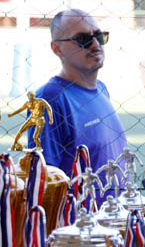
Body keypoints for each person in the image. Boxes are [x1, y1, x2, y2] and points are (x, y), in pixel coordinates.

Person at [31, 9, 127, 178]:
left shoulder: (101, 89)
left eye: (98, 36)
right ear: (57, 49)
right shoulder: (50, 99)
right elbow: (44, 178)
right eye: (83, 39)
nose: (96, 45)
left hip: (115, 204)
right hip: (80, 205)